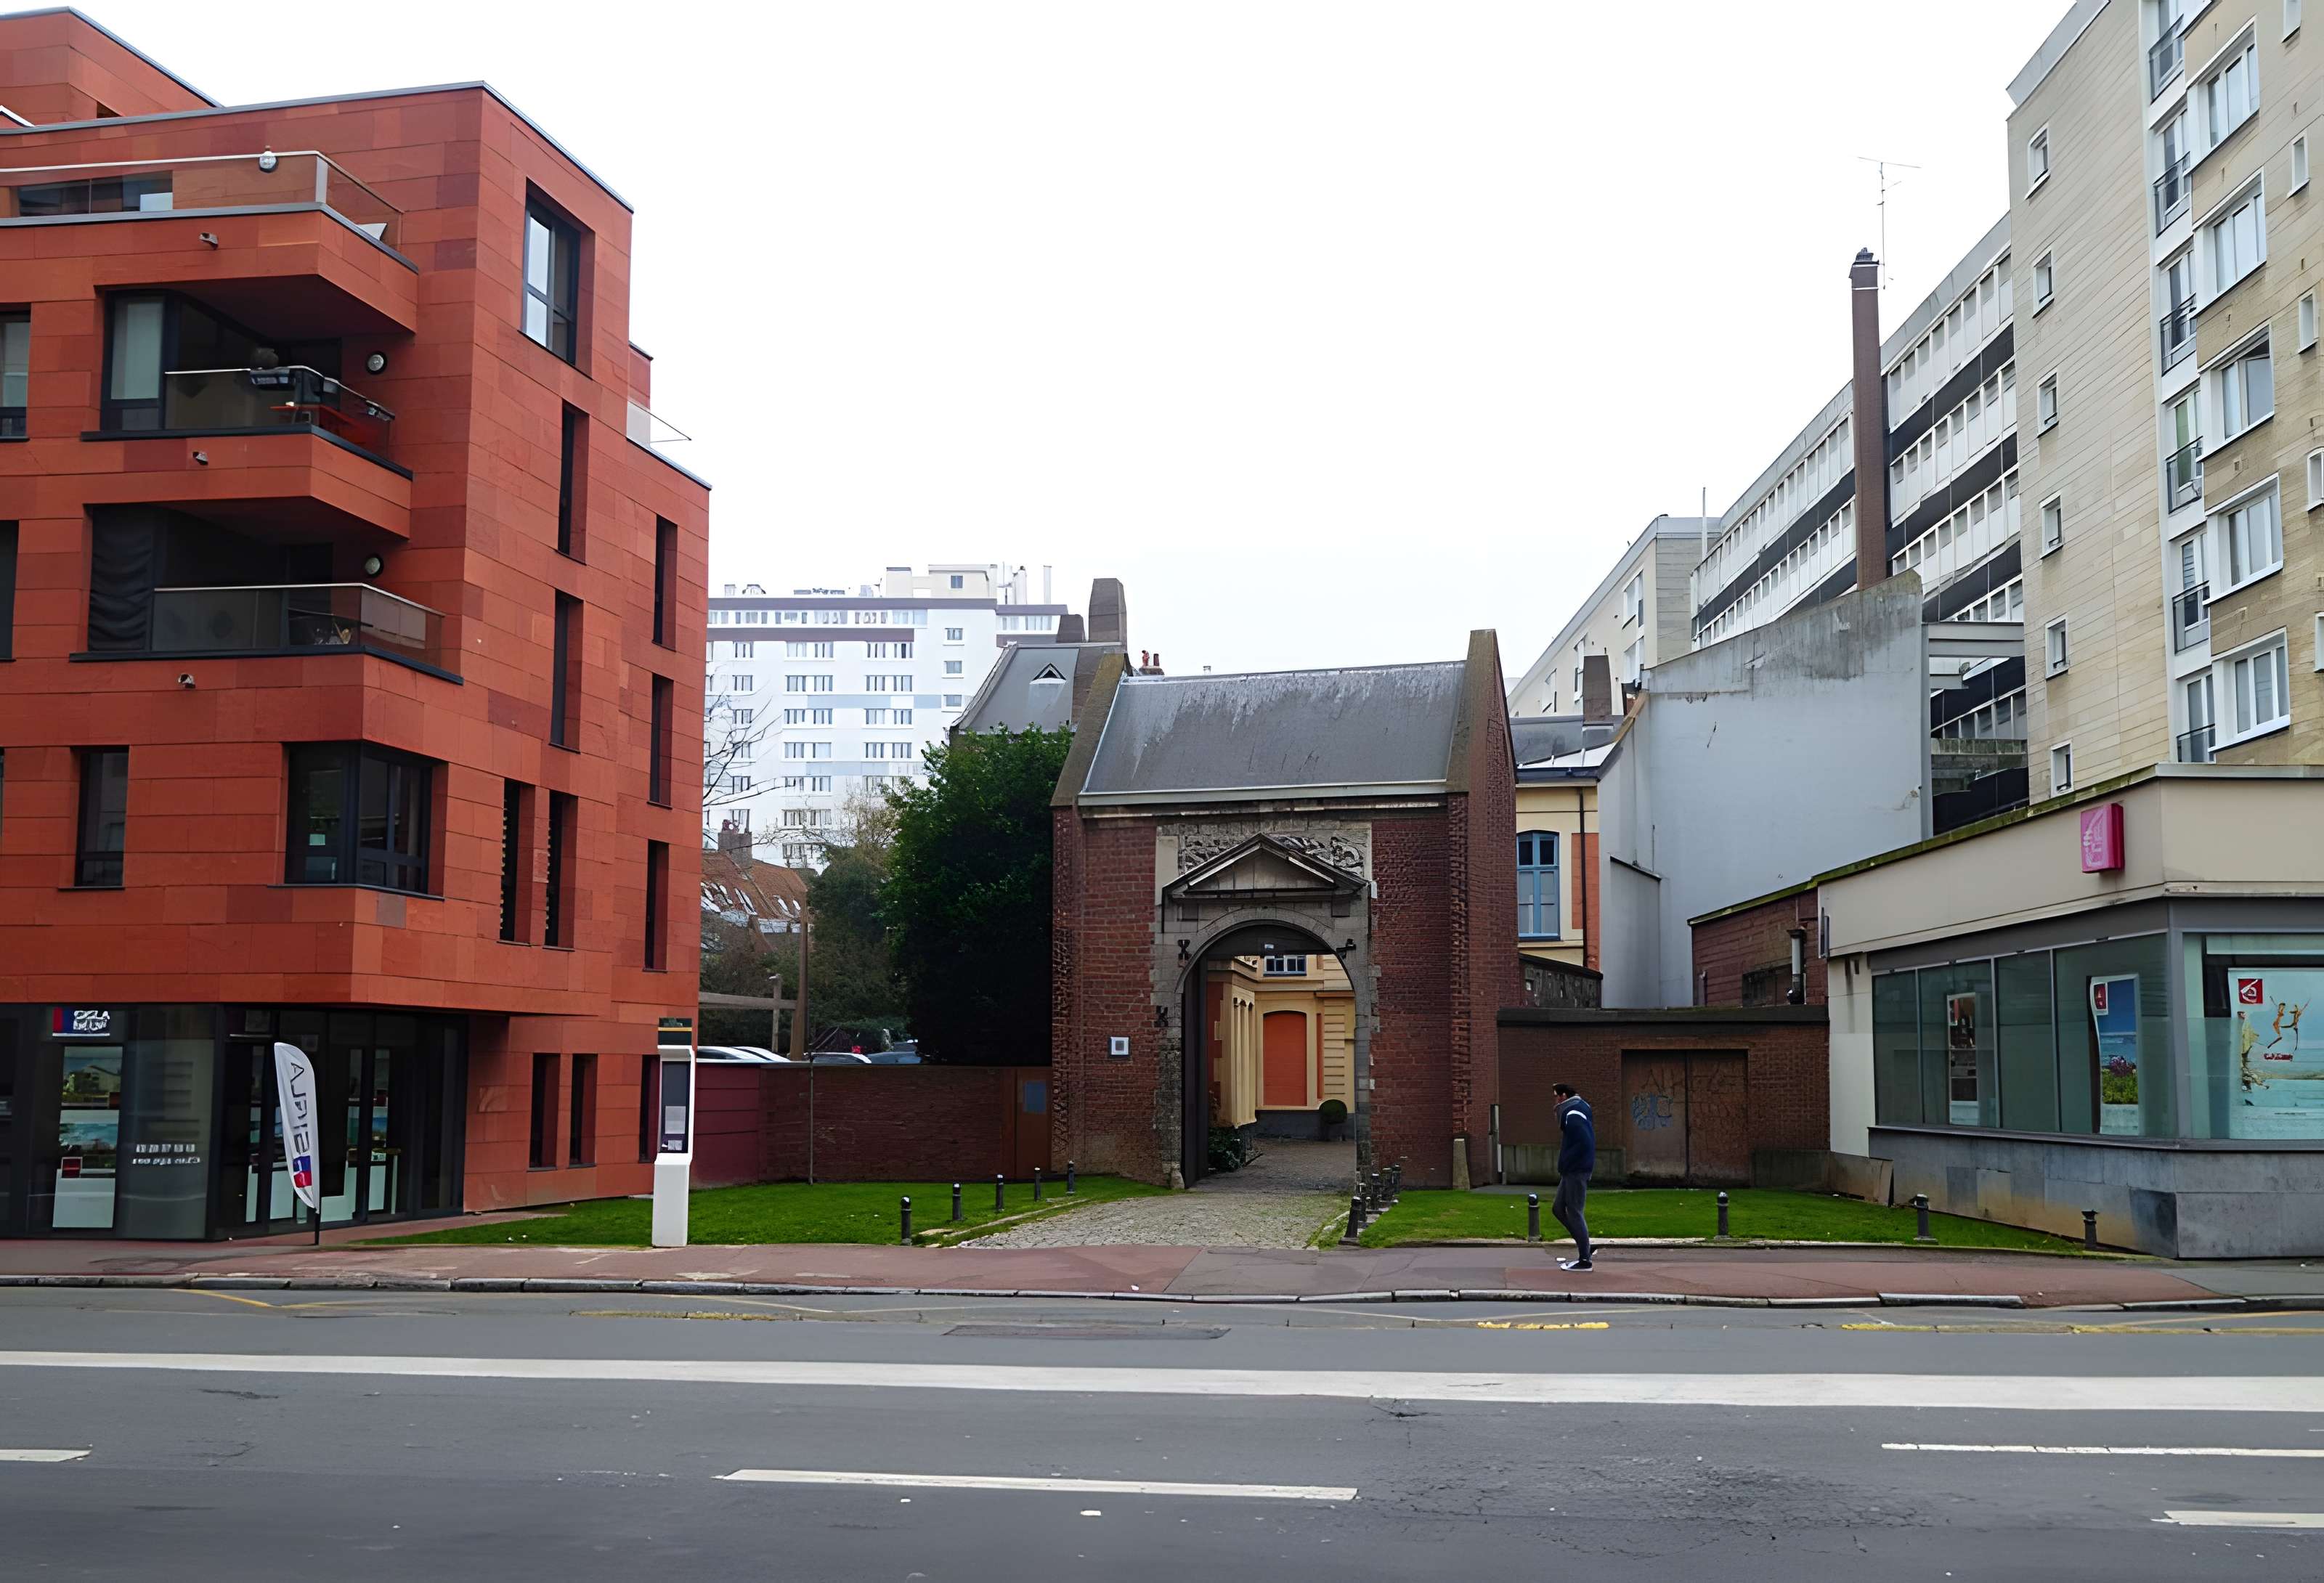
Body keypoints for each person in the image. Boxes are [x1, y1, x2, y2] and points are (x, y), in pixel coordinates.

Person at [1551, 1082, 1595, 1271]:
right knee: (1558, 1209)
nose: (1554, 1100)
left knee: (1575, 1211)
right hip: (1573, 1170)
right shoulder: (1581, 1106)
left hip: (1576, 1170)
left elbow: (1585, 1141)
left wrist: (1570, 1162)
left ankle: (1585, 1259)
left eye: (1555, 1096)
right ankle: (1584, 1244)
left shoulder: (1572, 1114)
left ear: (1563, 1097)